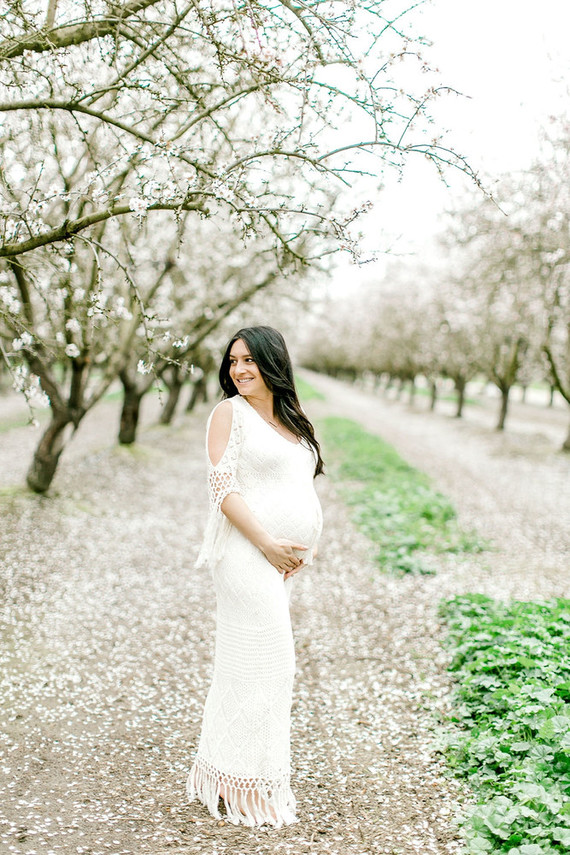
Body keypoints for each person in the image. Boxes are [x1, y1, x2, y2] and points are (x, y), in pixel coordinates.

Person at [186, 326, 324, 828]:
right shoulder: (229, 414)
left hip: (276, 558)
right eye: (232, 361)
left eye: (249, 360)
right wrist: (268, 544)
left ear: (274, 363)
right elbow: (223, 491)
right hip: (245, 553)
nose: (239, 370)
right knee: (272, 664)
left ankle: (228, 774)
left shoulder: (294, 418)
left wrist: (304, 547)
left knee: (248, 664)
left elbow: (298, 484)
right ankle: (249, 787)